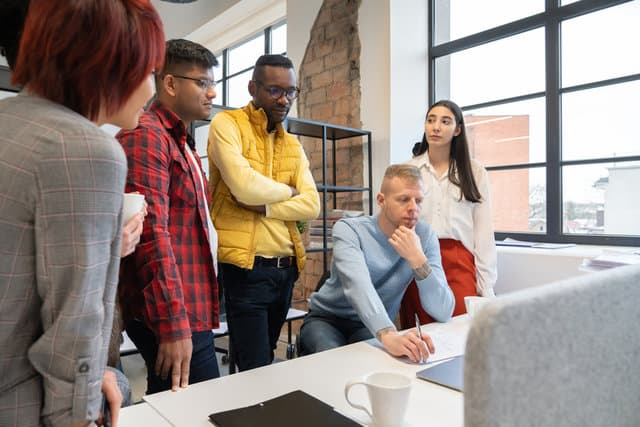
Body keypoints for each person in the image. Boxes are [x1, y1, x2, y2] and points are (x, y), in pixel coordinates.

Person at [0, 0, 164, 425]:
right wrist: (81, 403)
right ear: (110, 61)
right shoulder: (85, 149)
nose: (152, 88)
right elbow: (73, 331)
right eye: (148, 69)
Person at [117, 39, 221, 395]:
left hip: (189, 302)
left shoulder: (181, 141)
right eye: (203, 83)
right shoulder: (147, 134)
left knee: (180, 404)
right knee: (196, 405)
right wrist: (173, 322)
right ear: (170, 84)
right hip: (172, 311)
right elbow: (149, 234)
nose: (212, 92)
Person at [208, 54, 320, 371]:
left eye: (291, 92)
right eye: (274, 90)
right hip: (246, 269)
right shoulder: (226, 125)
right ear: (252, 88)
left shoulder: (293, 145)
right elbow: (243, 187)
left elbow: (312, 204)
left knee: (265, 360)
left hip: (286, 270)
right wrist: (289, 192)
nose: (284, 99)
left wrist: (266, 204)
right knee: (254, 366)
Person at [298, 164, 454, 361]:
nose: (414, 208)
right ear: (381, 200)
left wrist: (417, 259)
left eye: (419, 200)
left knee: (381, 362)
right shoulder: (349, 230)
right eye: (404, 199)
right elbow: (358, 286)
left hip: (369, 326)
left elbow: (443, 310)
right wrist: (388, 334)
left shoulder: (425, 236)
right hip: (328, 319)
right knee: (332, 359)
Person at [399, 100, 497, 328]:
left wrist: (486, 285)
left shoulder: (474, 172)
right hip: (417, 257)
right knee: (421, 336)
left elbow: (483, 231)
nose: (436, 127)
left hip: (458, 259)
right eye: (431, 120)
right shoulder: (408, 170)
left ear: (458, 129)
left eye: (445, 122)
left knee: (462, 331)